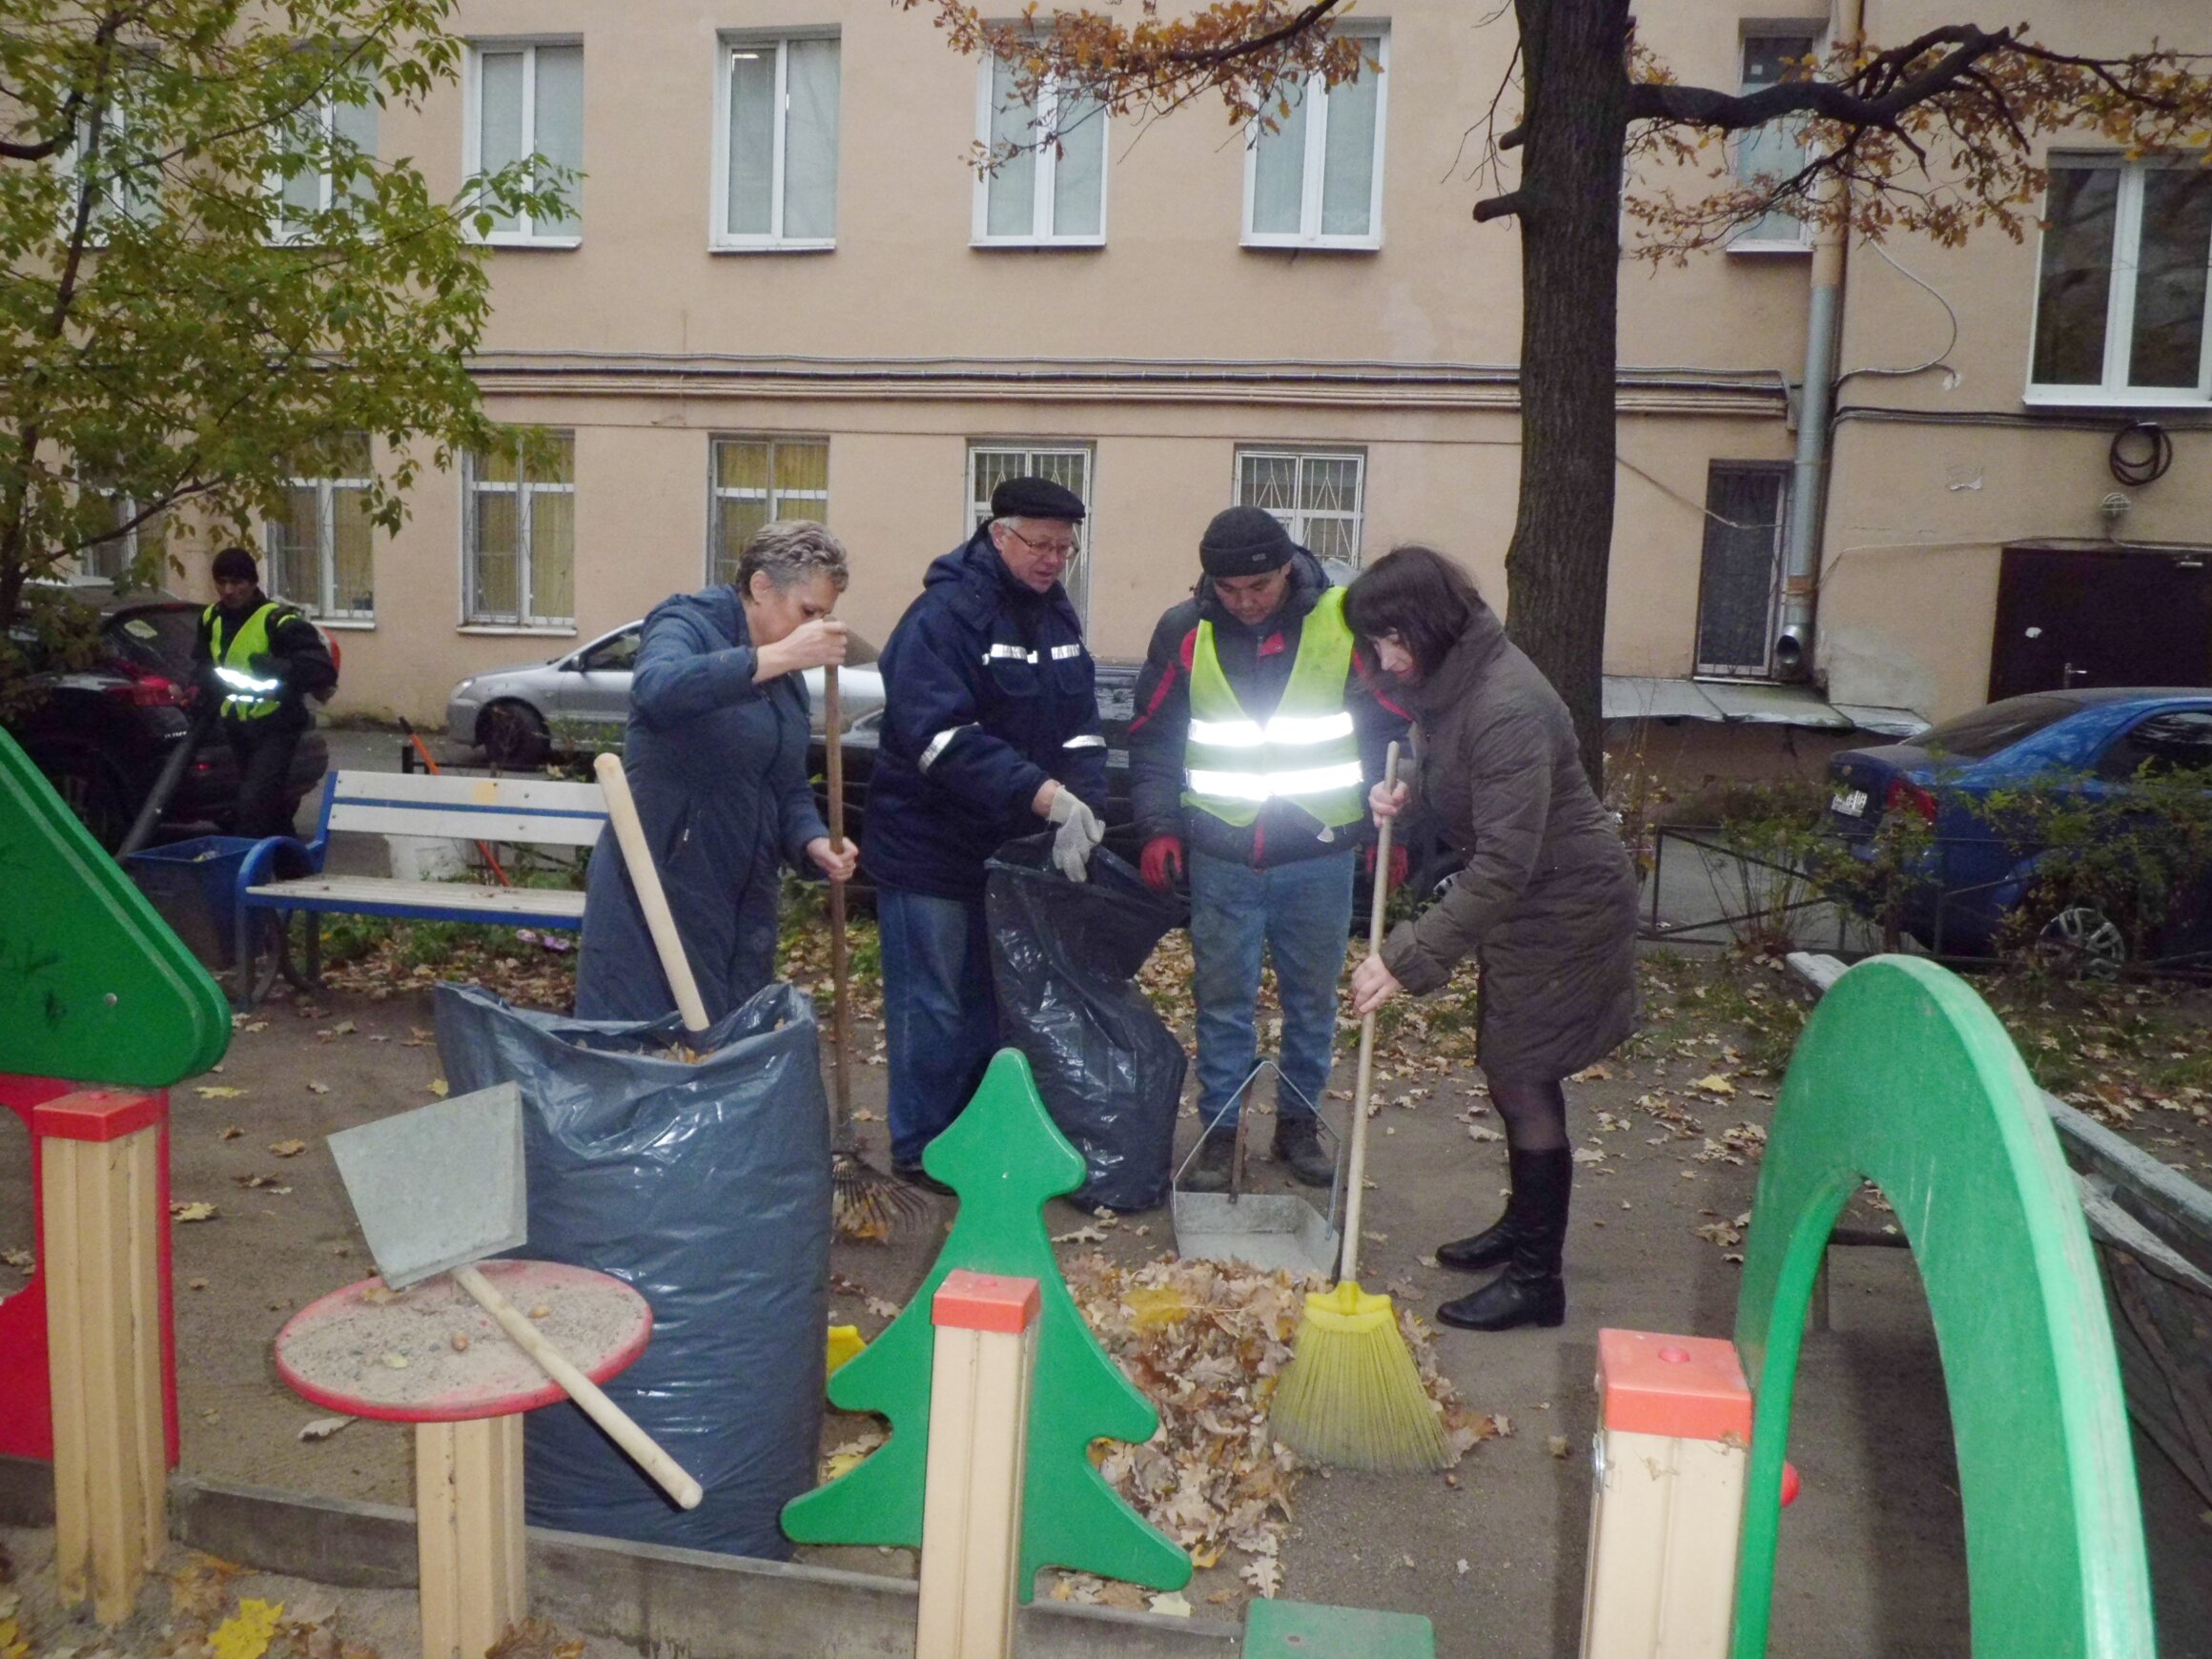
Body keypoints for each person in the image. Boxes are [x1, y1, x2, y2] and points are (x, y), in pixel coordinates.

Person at [1343, 545, 1639, 1332]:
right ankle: (1524, 1228)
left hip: (1564, 906)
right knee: (1510, 1066)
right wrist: (1404, 795)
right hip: (1527, 900)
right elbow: (1464, 782)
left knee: (1523, 1070)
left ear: (1428, 624)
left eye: (1390, 639)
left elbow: (1506, 860)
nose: (1384, 658)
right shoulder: (1456, 681)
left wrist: (1405, 959)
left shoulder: (1505, 703)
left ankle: (1537, 1279)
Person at [1127, 506, 1408, 1192]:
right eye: (1230, 590)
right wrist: (1158, 826)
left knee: (1312, 1001)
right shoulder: (1184, 630)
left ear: (1288, 568)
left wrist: (1395, 832)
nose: (1246, 603)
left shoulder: (1342, 622)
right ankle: (1222, 1134)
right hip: (1223, 851)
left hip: (1320, 849)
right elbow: (1154, 735)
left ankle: (1298, 1127)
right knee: (1222, 999)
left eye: (1259, 587)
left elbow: (1391, 730)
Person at [865, 477, 1109, 1192]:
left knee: (987, 1004)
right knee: (932, 1004)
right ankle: (920, 1148)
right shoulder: (942, 618)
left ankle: (970, 1137)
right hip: (928, 852)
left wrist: (1084, 809)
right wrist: (1046, 797)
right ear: (998, 533)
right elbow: (939, 740)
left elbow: (1083, 729)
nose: (1053, 560)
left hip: (1007, 856)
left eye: (1066, 548)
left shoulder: (1056, 621)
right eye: (1040, 544)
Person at [576, 521, 858, 1024]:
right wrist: (772, 657)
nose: (816, 627)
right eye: (808, 612)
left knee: (721, 1043)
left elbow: (786, 784)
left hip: (743, 895)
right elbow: (657, 689)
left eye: (825, 616)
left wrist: (813, 840)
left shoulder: (786, 685)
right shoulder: (685, 622)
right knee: (646, 1043)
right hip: (660, 883)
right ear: (761, 587)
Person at [190, 545, 338, 837]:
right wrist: (201, 686)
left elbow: (321, 670)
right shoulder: (211, 618)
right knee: (273, 809)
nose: (228, 590)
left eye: (237, 582)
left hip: (277, 726)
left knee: (252, 806)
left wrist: (277, 668)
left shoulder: (278, 621)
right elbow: (203, 664)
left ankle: (246, 877)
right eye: (221, 582)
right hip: (237, 726)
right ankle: (295, 876)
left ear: (252, 583)